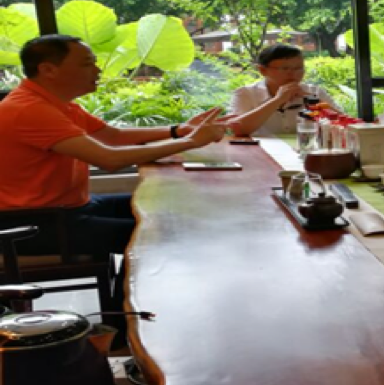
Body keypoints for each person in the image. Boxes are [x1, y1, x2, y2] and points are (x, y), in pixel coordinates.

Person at [0, 35, 228, 261]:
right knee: (166, 233)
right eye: (87, 64)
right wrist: (191, 141)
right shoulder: (29, 109)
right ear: (48, 70)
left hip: (71, 208)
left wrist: (178, 131)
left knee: (165, 207)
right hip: (30, 224)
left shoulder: (55, 103)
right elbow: (109, 159)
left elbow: (113, 136)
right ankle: (128, 287)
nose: (97, 70)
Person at [227, 44, 338, 137]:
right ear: (262, 70)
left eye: (298, 68)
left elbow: (343, 124)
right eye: (285, 68)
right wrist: (278, 100)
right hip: (259, 152)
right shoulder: (245, 94)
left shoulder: (315, 92)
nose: (293, 74)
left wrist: (313, 101)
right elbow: (236, 129)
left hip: (305, 150)